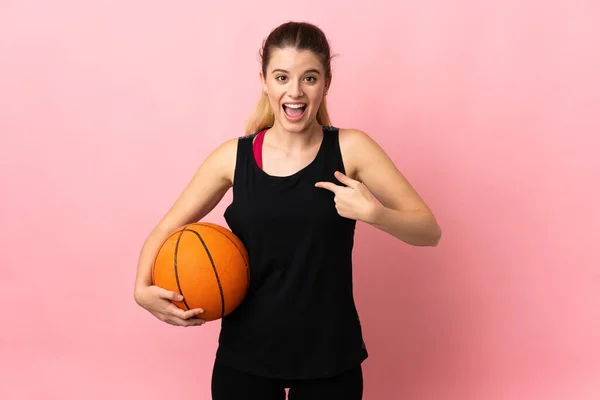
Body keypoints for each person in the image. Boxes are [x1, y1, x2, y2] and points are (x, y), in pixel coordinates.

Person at [134, 21, 441, 400]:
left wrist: (374, 213)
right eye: (282, 77)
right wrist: (140, 289)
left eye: (309, 78)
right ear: (264, 81)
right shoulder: (233, 158)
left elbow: (429, 231)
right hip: (246, 355)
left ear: (326, 82)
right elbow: (165, 229)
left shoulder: (352, 149)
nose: (294, 92)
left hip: (330, 356)